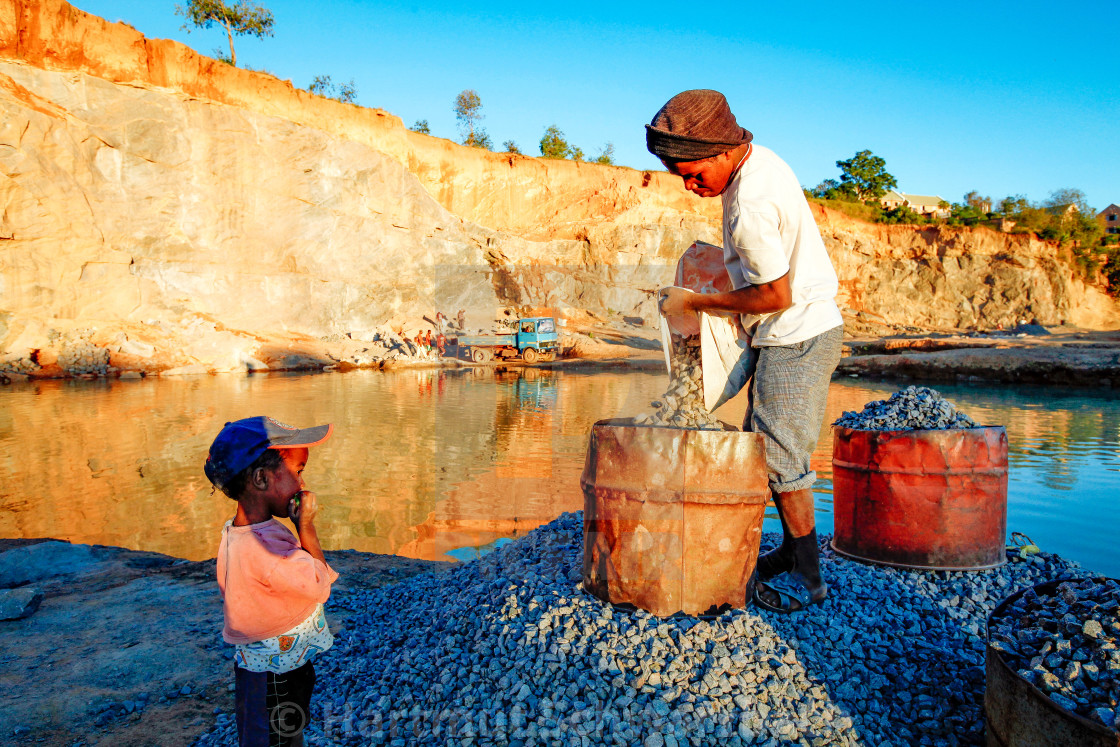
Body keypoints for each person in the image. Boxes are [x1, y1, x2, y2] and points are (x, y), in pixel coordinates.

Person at [648, 90, 844, 614]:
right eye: (679, 177)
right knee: (768, 439)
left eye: (694, 174)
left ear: (722, 150)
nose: (690, 187)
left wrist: (699, 302)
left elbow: (775, 294)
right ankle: (789, 547)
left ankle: (808, 569)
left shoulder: (749, 205)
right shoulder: (760, 162)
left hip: (796, 331)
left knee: (778, 454)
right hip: (785, 327)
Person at [205, 416, 338, 746]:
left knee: (282, 731)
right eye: (298, 471)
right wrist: (306, 526)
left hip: (276, 665)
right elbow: (320, 585)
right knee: (275, 735)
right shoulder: (265, 548)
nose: (302, 484)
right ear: (261, 479)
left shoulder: (242, 533)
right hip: (275, 675)